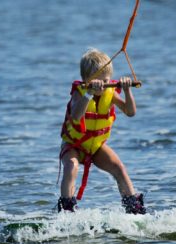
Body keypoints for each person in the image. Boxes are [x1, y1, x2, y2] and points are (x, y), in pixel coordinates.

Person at [56, 48, 146, 215]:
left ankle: (134, 209)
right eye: (99, 82)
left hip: (96, 146)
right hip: (74, 145)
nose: (104, 85)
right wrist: (89, 94)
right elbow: (76, 116)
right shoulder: (80, 93)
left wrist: (127, 90)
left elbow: (130, 112)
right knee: (71, 166)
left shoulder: (110, 93)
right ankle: (67, 212)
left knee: (119, 167)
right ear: (87, 80)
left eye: (106, 80)